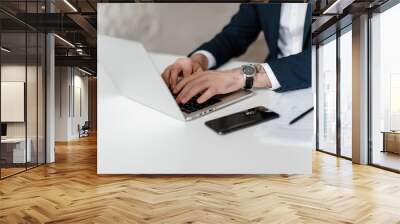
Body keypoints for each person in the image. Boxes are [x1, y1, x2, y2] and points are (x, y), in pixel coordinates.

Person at [162, 3, 312, 105]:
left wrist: (241, 76)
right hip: (274, 93)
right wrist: (199, 60)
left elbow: (330, 53)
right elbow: (235, 34)